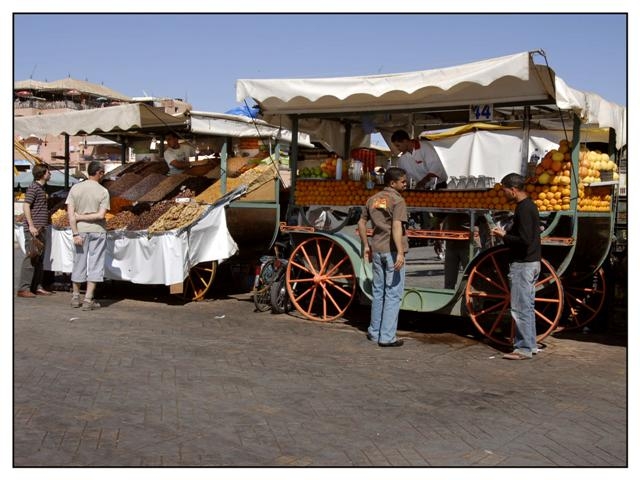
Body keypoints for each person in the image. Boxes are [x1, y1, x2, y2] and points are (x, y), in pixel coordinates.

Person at [491, 173, 541, 360]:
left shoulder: (524, 209)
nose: (503, 193)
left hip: (523, 263)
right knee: (527, 305)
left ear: (513, 189)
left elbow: (524, 240)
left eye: (504, 190)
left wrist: (503, 235)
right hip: (531, 262)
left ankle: (524, 348)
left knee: (520, 307)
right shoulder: (528, 206)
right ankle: (530, 344)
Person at [357, 167, 409, 347]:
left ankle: (374, 331)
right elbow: (396, 226)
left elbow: (361, 222)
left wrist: (366, 245)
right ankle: (387, 337)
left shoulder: (373, 199)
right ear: (392, 183)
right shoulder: (398, 200)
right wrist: (400, 252)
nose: (406, 184)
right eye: (403, 181)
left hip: (377, 250)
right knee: (393, 294)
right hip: (392, 252)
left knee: (378, 293)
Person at [66, 161, 110, 311]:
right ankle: (88, 299)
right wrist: (85, 217)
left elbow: (71, 215)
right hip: (98, 231)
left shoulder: (75, 189)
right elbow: (101, 215)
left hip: (80, 232)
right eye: (103, 172)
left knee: (78, 263)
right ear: (99, 173)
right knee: (96, 264)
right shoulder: (103, 191)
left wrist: (75, 232)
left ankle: (75, 297)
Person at [17, 163, 53, 298]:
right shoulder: (34, 188)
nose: (50, 174)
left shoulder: (41, 188)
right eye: (48, 172)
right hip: (34, 230)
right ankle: (23, 288)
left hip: (40, 229)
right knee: (31, 257)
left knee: (39, 259)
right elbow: (26, 206)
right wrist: (31, 226)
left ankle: (37, 286)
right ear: (43, 174)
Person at [442, 213, 470, 290]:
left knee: (471, 278)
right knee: (449, 280)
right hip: (451, 242)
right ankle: (448, 298)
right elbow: (439, 215)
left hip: (468, 242)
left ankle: (470, 300)